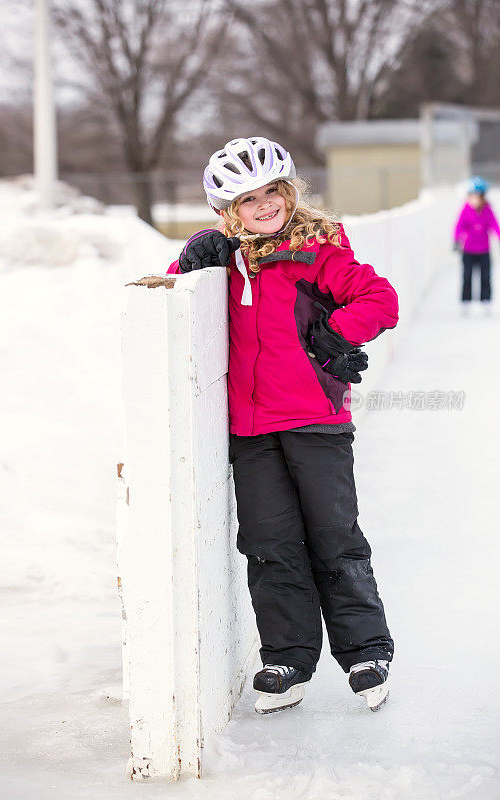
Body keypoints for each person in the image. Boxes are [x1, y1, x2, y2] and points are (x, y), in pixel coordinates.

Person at [167, 137, 398, 714]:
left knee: (334, 537)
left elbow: (379, 297)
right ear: (228, 211)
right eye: (249, 199)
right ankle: (287, 658)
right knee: (270, 546)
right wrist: (190, 257)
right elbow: (167, 293)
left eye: (273, 191)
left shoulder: (319, 250)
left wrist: (337, 333)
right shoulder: (226, 258)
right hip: (251, 433)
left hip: (316, 422)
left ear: (290, 192)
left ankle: (366, 651)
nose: (265, 204)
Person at [453, 176, 500, 312]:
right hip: (469, 250)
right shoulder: (466, 209)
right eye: (472, 196)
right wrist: (456, 240)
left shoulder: (487, 210)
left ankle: (486, 300)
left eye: (478, 196)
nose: (475, 199)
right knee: (467, 276)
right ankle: (466, 301)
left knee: (485, 275)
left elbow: (494, 225)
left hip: (484, 249)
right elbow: (459, 225)